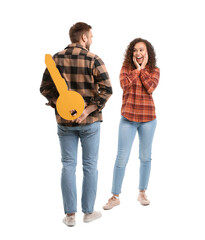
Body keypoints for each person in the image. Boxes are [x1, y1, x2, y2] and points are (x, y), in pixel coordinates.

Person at [40, 22, 112, 226]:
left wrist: (63, 106)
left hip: (64, 123)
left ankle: (70, 216)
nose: (91, 40)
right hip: (90, 123)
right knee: (90, 166)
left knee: (68, 166)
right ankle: (88, 213)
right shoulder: (94, 59)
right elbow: (107, 90)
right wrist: (87, 110)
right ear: (83, 38)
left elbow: (44, 88)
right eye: (90, 36)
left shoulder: (56, 59)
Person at [103, 38, 160, 210]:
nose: (138, 53)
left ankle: (142, 192)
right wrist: (137, 70)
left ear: (147, 53)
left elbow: (151, 87)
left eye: (141, 50)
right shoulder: (125, 69)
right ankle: (115, 196)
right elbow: (124, 85)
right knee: (121, 158)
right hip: (128, 119)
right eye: (135, 50)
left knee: (145, 157)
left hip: (148, 119)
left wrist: (142, 70)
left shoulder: (155, 70)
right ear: (131, 53)